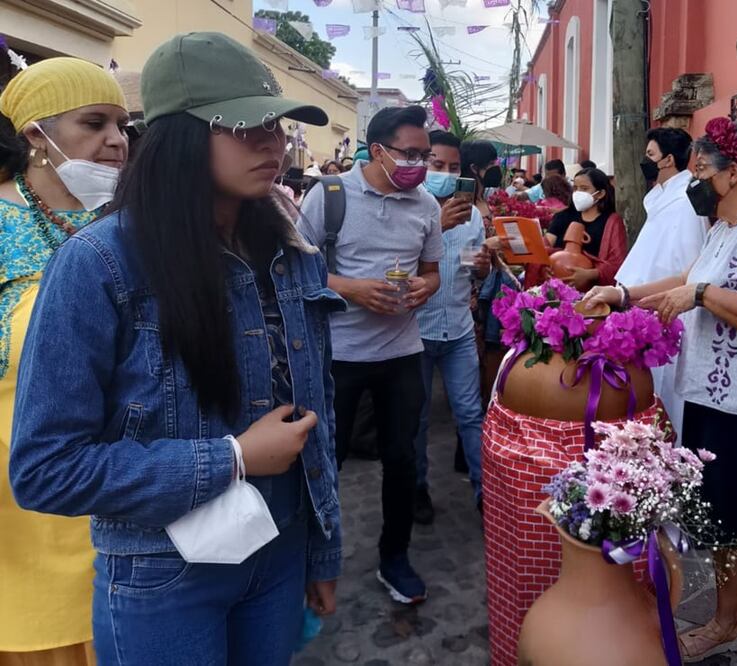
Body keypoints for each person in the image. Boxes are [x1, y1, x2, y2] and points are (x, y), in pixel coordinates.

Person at [9, 32, 343, 665]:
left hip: (279, 550)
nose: (271, 142)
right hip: (163, 571)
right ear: (179, 137)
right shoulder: (99, 263)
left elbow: (315, 405)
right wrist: (233, 458)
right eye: (244, 126)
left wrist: (323, 548)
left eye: (277, 125)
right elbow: (45, 470)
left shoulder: (292, 254)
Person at [582, 117, 737, 666]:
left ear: (734, 172)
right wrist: (620, 295)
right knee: (726, 519)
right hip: (719, 400)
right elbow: (682, 284)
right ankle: (727, 622)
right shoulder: (724, 229)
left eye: (700, 169)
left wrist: (703, 294)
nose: (692, 180)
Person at [0, 55, 128, 666]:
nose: (116, 141)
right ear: (36, 135)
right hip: (21, 513)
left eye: (123, 125)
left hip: (127, 495)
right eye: (95, 122)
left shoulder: (131, 224)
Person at [298, 104, 441, 606]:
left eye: (425, 155)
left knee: (402, 460)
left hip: (402, 352)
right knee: (324, 461)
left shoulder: (426, 206)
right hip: (337, 356)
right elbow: (295, 270)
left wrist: (424, 288)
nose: (419, 164)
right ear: (377, 150)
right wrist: (354, 290)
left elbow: (432, 272)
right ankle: (310, 561)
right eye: (410, 153)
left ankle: (394, 557)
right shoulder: (329, 196)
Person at [413, 130, 490, 524]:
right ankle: (417, 490)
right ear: (423, 164)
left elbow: (469, 266)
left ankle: (485, 494)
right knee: (418, 419)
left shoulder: (472, 214)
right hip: (415, 332)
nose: (445, 173)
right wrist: (436, 226)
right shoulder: (409, 210)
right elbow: (396, 268)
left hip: (458, 327)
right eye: (437, 165)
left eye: (453, 167)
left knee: (470, 414)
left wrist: (480, 267)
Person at [615, 126, 708, 439]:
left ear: (668, 160)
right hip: (640, 307)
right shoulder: (661, 198)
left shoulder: (685, 202)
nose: (646, 161)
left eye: (650, 156)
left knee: (663, 395)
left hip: (665, 312)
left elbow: (689, 266)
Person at [544, 167, 628, 291]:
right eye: (575, 188)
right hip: (557, 288)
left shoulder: (612, 221)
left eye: (584, 188)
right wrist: (546, 267)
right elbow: (544, 249)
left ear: (600, 193)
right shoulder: (562, 216)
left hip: (594, 291)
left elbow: (617, 263)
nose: (577, 193)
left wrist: (590, 274)